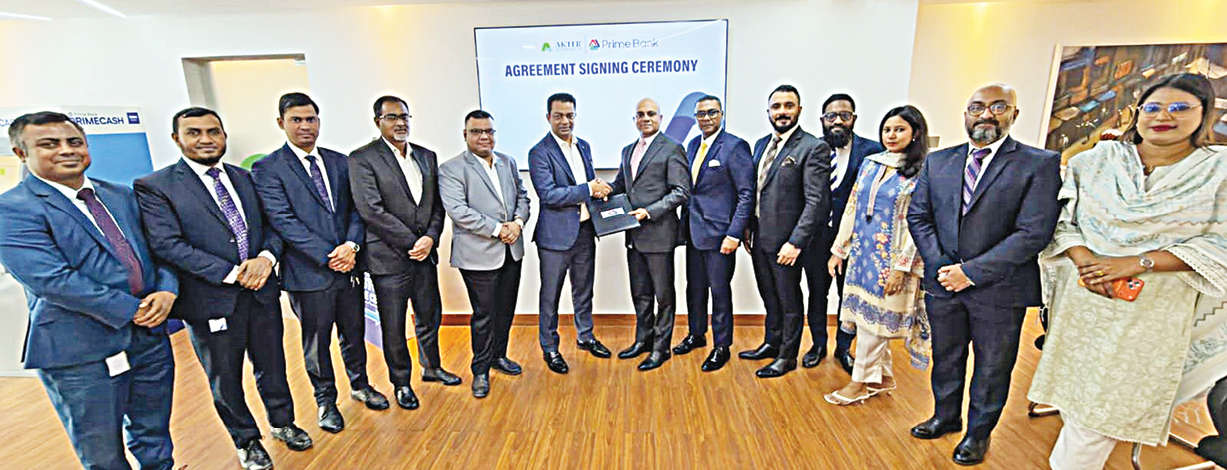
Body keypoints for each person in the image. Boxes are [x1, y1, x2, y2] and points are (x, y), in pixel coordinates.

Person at [1026, 73, 1227, 470]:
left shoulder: (1218, 171)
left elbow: (1219, 243)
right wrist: (1087, 262)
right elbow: (1064, 223)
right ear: (1138, 112)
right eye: (1153, 107)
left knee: (1103, 410)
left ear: (1204, 114)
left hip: (1152, 314)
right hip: (1087, 299)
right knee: (1079, 402)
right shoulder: (1094, 162)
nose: (1163, 116)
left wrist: (1137, 262)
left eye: (1179, 108)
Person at [134, 107, 310, 469]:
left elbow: (273, 226)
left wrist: (266, 259)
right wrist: (233, 273)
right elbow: (168, 245)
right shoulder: (156, 186)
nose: (206, 139)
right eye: (194, 133)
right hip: (210, 299)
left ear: (224, 135)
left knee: (273, 365)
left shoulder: (247, 178)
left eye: (213, 131)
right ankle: (246, 440)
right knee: (225, 377)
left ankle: (282, 423)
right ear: (176, 139)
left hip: (261, 292)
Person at [0, 111, 178, 469]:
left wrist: (167, 291)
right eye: (49, 144)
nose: (66, 150)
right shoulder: (11, 210)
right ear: (21, 153)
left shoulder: (120, 195)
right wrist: (133, 309)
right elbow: (52, 280)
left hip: (148, 340)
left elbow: (160, 250)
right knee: (102, 453)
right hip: (80, 351)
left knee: (155, 435)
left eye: (74, 142)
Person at [906, 83, 1061, 466]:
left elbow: (1033, 233)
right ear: (966, 114)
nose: (986, 115)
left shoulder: (1039, 164)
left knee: (992, 366)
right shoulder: (938, 161)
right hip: (944, 284)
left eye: (998, 107)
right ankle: (945, 416)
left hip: (1000, 290)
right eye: (977, 107)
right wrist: (942, 268)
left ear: (1014, 114)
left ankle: (978, 434)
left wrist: (970, 273)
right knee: (946, 356)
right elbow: (919, 216)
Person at [253, 93, 389, 434]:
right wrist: (331, 255)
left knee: (353, 333)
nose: (305, 126)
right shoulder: (268, 169)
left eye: (310, 119)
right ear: (281, 123)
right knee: (317, 343)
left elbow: (356, 211)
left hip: (349, 267)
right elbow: (282, 221)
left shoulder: (340, 162)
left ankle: (360, 385)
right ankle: (326, 401)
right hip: (308, 273)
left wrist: (351, 246)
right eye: (296, 120)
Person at [349, 95, 460, 410]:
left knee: (429, 315)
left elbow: (437, 206)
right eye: (392, 117)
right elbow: (371, 211)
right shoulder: (362, 158)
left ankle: (432, 367)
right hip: (388, 259)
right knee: (394, 325)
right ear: (378, 122)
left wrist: (430, 238)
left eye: (404, 117)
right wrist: (413, 242)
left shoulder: (426, 156)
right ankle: (401, 383)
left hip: (425, 254)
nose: (400, 123)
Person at [823, 105, 930, 406]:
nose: (892, 135)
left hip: (894, 261)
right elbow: (853, 207)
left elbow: (920, 222)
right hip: (862, 258)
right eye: (887, 129)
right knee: (864, 319)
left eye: (900, 129)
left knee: (875, 325)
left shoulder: (924, 170)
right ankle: (880, 378)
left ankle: (858, 383)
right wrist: (838, 250)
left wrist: (902, 267)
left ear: (915, 133)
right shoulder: (871, 163)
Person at [437, 110, 531, 398]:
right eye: (477, 132)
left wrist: (517, 223)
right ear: (465, 135)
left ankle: (498, 356)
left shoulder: (508, 162)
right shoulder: (452, 169)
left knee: (505, 310)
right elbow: (459, 211)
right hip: (477, 255)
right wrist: (498, 229)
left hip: (511, 250)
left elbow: (523, 197)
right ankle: (480, 370)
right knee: (484, 314)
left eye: (489, 131)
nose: (484, 137)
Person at [741, 84, 833, 378]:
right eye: (776, 106)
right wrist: (747, 227)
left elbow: (816, 201)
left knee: (789, 300)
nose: (782, 112)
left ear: (799, 110)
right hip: (759, 237)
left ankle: (787, 356)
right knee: (769, 296)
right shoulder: (761, 145)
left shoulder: (813, 147)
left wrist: (796, 242)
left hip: (787, 243)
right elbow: (756, 191)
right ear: (768, 111)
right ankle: (772, 342)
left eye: (788, 106)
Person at [527, 92, 614, 374]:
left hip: (585, 231)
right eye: (559, 116)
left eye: (569, 115)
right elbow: (549, 195)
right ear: (548, 117)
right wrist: (588, 189)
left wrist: (598, 189)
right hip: (555, 238)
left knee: (584, 289)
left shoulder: (583, 146)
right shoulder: (539, 152)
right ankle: (550, 347)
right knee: (550, 296)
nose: (565, 121)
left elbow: (586, 184)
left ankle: (585, 336)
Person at [803, 93, 886, 372]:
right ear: (822, 120)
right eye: (831, 116)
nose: (837, 121)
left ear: (854, 119)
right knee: (817, 295)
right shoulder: (810, 148)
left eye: (844, 115)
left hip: (855, 240)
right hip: (816, 239)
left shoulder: (872, 151)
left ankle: (843, 347)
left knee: (848, 297)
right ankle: (817, 345)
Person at [673, 94, 755, 372]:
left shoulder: (735, 146)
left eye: (711, 112)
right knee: (694, 288)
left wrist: (734, 234)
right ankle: (696, 334)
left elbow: (746, 194)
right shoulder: (693, 145)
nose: (706, 118)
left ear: (721, 114)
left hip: (721, 236)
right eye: (701, 114)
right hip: (694, 231)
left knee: (719, 292)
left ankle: (722, 345)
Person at [609, 98, 690, 371]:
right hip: (633, 236)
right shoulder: (627, 150)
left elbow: (681, 192)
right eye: (640, 114)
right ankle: (642, 340)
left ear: (660, 118)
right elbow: (622, 186)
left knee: (663, 296)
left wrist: (649, 212)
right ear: (635, 119)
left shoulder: (672, 148)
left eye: (651, 114)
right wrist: (601, 190)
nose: (645, 118)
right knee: (640, 293)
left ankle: (660, 348)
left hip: (659, 234)